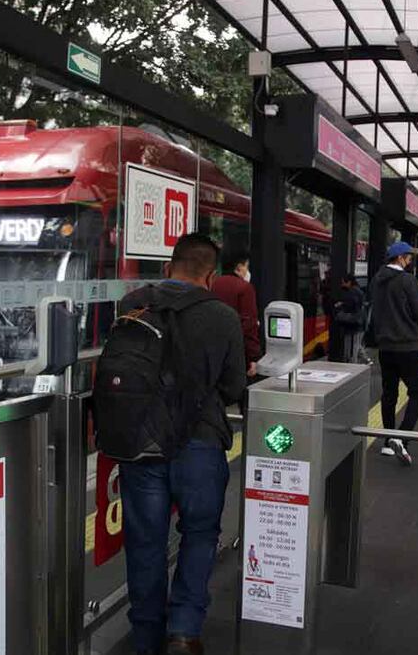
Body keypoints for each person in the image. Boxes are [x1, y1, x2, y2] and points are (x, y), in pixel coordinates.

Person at [117, 233, 246, 655]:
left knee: (145, 539)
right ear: (210, 276)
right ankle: (184, 630)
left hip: (140, 443)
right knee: (200, 532)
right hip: (200, 443)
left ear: (170, 268)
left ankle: (146, 635)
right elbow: (233, 386)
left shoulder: (132, 303)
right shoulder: (222, 316)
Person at [371, 241, 418, 466]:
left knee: (389, 394)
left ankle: (388, 441)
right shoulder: (407, 281)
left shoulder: (377, 281)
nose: (410, 262)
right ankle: (402, 437)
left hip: (385, 348)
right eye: (408, 258)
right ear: (400, 259)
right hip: (407, 347)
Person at [210, 249, 260, 378]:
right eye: (246, 266)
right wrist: (253, 358)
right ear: (238, 268)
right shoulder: (244, 288)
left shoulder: (213, 283)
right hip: (236, 355)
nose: (247, 271)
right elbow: (249, 325)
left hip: (212, 352)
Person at [333, 273, 370, 364]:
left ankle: (352, 367)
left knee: (351, 350)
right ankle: (366, 361)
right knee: (356, 346)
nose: (342, 285)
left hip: (353, 326)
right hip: (359, 325)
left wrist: (340, 307)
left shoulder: (351, 293)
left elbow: (350, 308)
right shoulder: (359, 291)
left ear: (349, 282)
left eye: (343, 283)